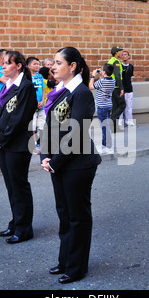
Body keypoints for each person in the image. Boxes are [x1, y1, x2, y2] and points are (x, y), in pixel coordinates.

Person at [40, 47, 102, 284]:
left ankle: (77, 267)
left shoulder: (81, 93)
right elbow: (50, 126)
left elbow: (76, 131)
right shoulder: (59, 91)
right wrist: (45, 156)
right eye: (52, 63)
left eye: (57, 63)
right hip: (58, 161)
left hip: (78, 164)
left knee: (77, 216)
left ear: (73, 66)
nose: (52, 66)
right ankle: (65, 260)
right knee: (64, 215)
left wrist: (55, 161)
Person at [0, 51, 37, 244]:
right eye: (2, 63)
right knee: (11, 186)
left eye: (7, 63)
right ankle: (16, 221)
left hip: (17, 145)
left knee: (19, 186)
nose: (3, 67)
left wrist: (1, 139)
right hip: (3, 144)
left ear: (18, 66)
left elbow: (20, 118)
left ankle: (25, 228)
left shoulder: (25, 88)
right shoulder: (8, 86)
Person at [89, 64, 115, 154]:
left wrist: (93, 76)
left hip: (102, 107)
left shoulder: (102, 81)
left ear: (104, 72)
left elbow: (91, 87)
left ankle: (108, 147)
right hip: (108, 105)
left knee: (105, 127)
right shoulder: (113, 81)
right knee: (106, 126)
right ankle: (105, 145)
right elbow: (102, 85)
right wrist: (101, 76)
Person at [27, 57, 46, 155]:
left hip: (41, 106)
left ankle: (42, 144)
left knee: (42, 125)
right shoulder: (27, 77)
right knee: (33, 126)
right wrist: (34, 103)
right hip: (32, 107)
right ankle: (34, 145)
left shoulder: (40, 76)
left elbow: (43, 89)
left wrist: (42, 101)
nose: (37, 66)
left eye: (38, 64)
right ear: (29, 66)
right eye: (35, 64)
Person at [108, 46, 125, 132]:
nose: (121, 53)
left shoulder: (110, 61)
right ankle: (112, 118)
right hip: (117, 87)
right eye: (120, 51)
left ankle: (114, 128)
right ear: (116, 53)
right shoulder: (116, 62)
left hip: (111, 87)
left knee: (115, 107)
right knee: (122, 105)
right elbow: (118, 76)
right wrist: (121, 88)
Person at [120, 50, 135, 126]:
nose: (124, 56)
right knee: (120, 106)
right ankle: (120, 122)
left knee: (129, 106)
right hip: (121, 89)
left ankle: (129, 121)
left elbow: (130, 77)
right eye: (122, 55)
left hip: (129, 89)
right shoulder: (119, 65)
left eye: (125, 54)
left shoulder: (131, 67)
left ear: (129, 56)